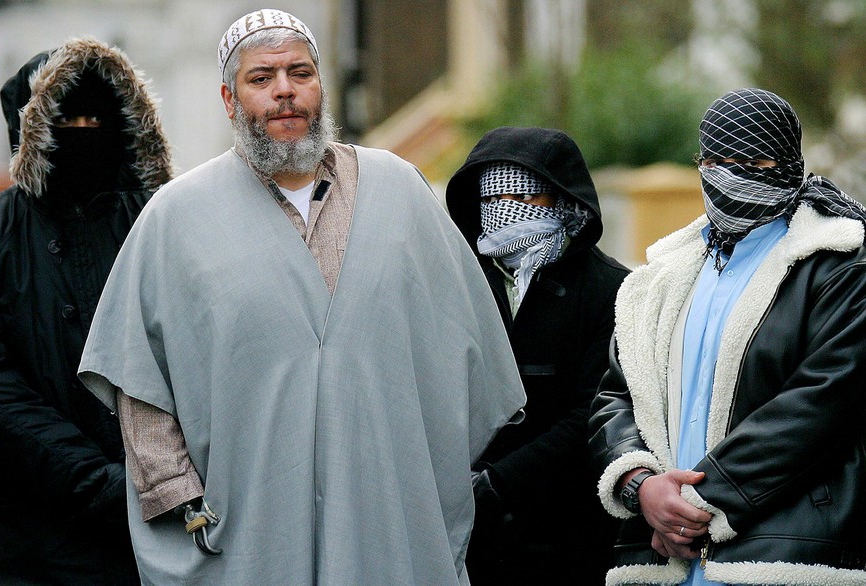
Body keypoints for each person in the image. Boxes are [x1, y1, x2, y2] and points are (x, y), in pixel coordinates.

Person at [77, 9, 526, 585]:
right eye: (261, 79)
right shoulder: (175, 217)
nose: (285, 92)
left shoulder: (401, 191)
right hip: (246, 526)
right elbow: (137, 376)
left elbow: (468, 352)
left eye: (300, 73)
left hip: (386, 512)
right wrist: (178, 498)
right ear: (229, 98)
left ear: (321, 85)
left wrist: (420, 470)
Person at [588, 87, 866, 586]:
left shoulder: (842, 263)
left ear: (789, 164)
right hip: (669, 564)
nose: (732, 177)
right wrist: (641, 486)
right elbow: (617, 396)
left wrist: (694, 505)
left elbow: (825, 401)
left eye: (754, 161)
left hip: (786, 559)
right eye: (716, 161)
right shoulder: (660, 279)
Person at [0, 38, 172, 584]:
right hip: (31, 544)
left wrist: (162, 476)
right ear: (34, 132)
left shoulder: (160, 223)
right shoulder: (0, 233)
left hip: (157, 533)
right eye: (68, 119)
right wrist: (97, 481)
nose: (85, 132)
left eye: (99, 117)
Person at [445, 126, 629, 584]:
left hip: (570, 536)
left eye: (524, 200)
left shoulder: (612, 288)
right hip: (472, 540)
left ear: (562, 201)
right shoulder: (457, 280)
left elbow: (596, 410)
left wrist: (499, 482)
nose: (505, 212)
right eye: (492, 201)